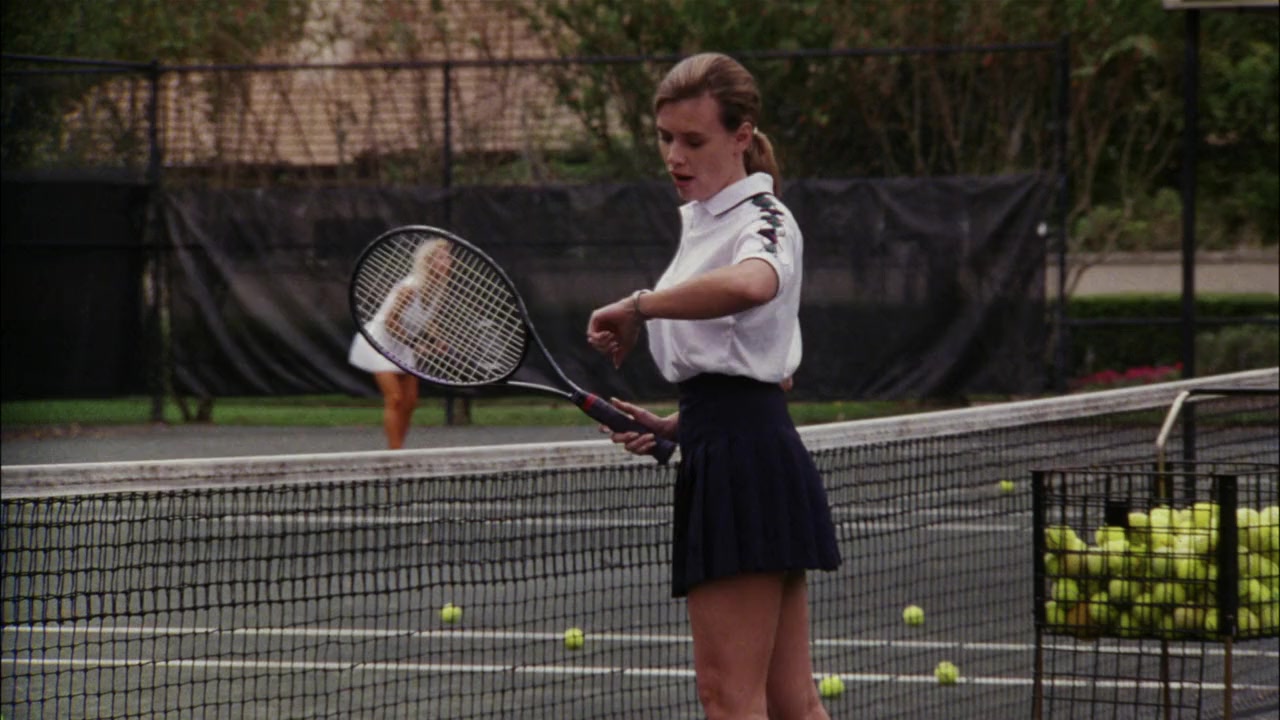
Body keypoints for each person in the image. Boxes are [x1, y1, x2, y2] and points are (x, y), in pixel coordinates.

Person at [586, 53, 841, 720]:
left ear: (740, 136)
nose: (675, 156)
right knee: (790, 703)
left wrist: (640, 305)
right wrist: (681, 425)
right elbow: (757, 365)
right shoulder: (704, 222)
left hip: (747, 465)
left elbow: (754, 285)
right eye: (666, 138)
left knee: (728, 699)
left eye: (694, 140)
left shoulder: (763, 217)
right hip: (731, 447)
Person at [348, 239, 452, 449]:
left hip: (403, 345)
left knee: (410, 401)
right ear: (428, 262)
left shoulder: (438, 290)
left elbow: (427, 320)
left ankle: (399, 451)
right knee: (395, 398)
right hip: (378, 342)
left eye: (448, 257)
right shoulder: (409, 288)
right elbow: (390, 322)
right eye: (441, 257)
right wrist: (414, 343)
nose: (448, 261)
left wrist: (437, 339)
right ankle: (394, 453)